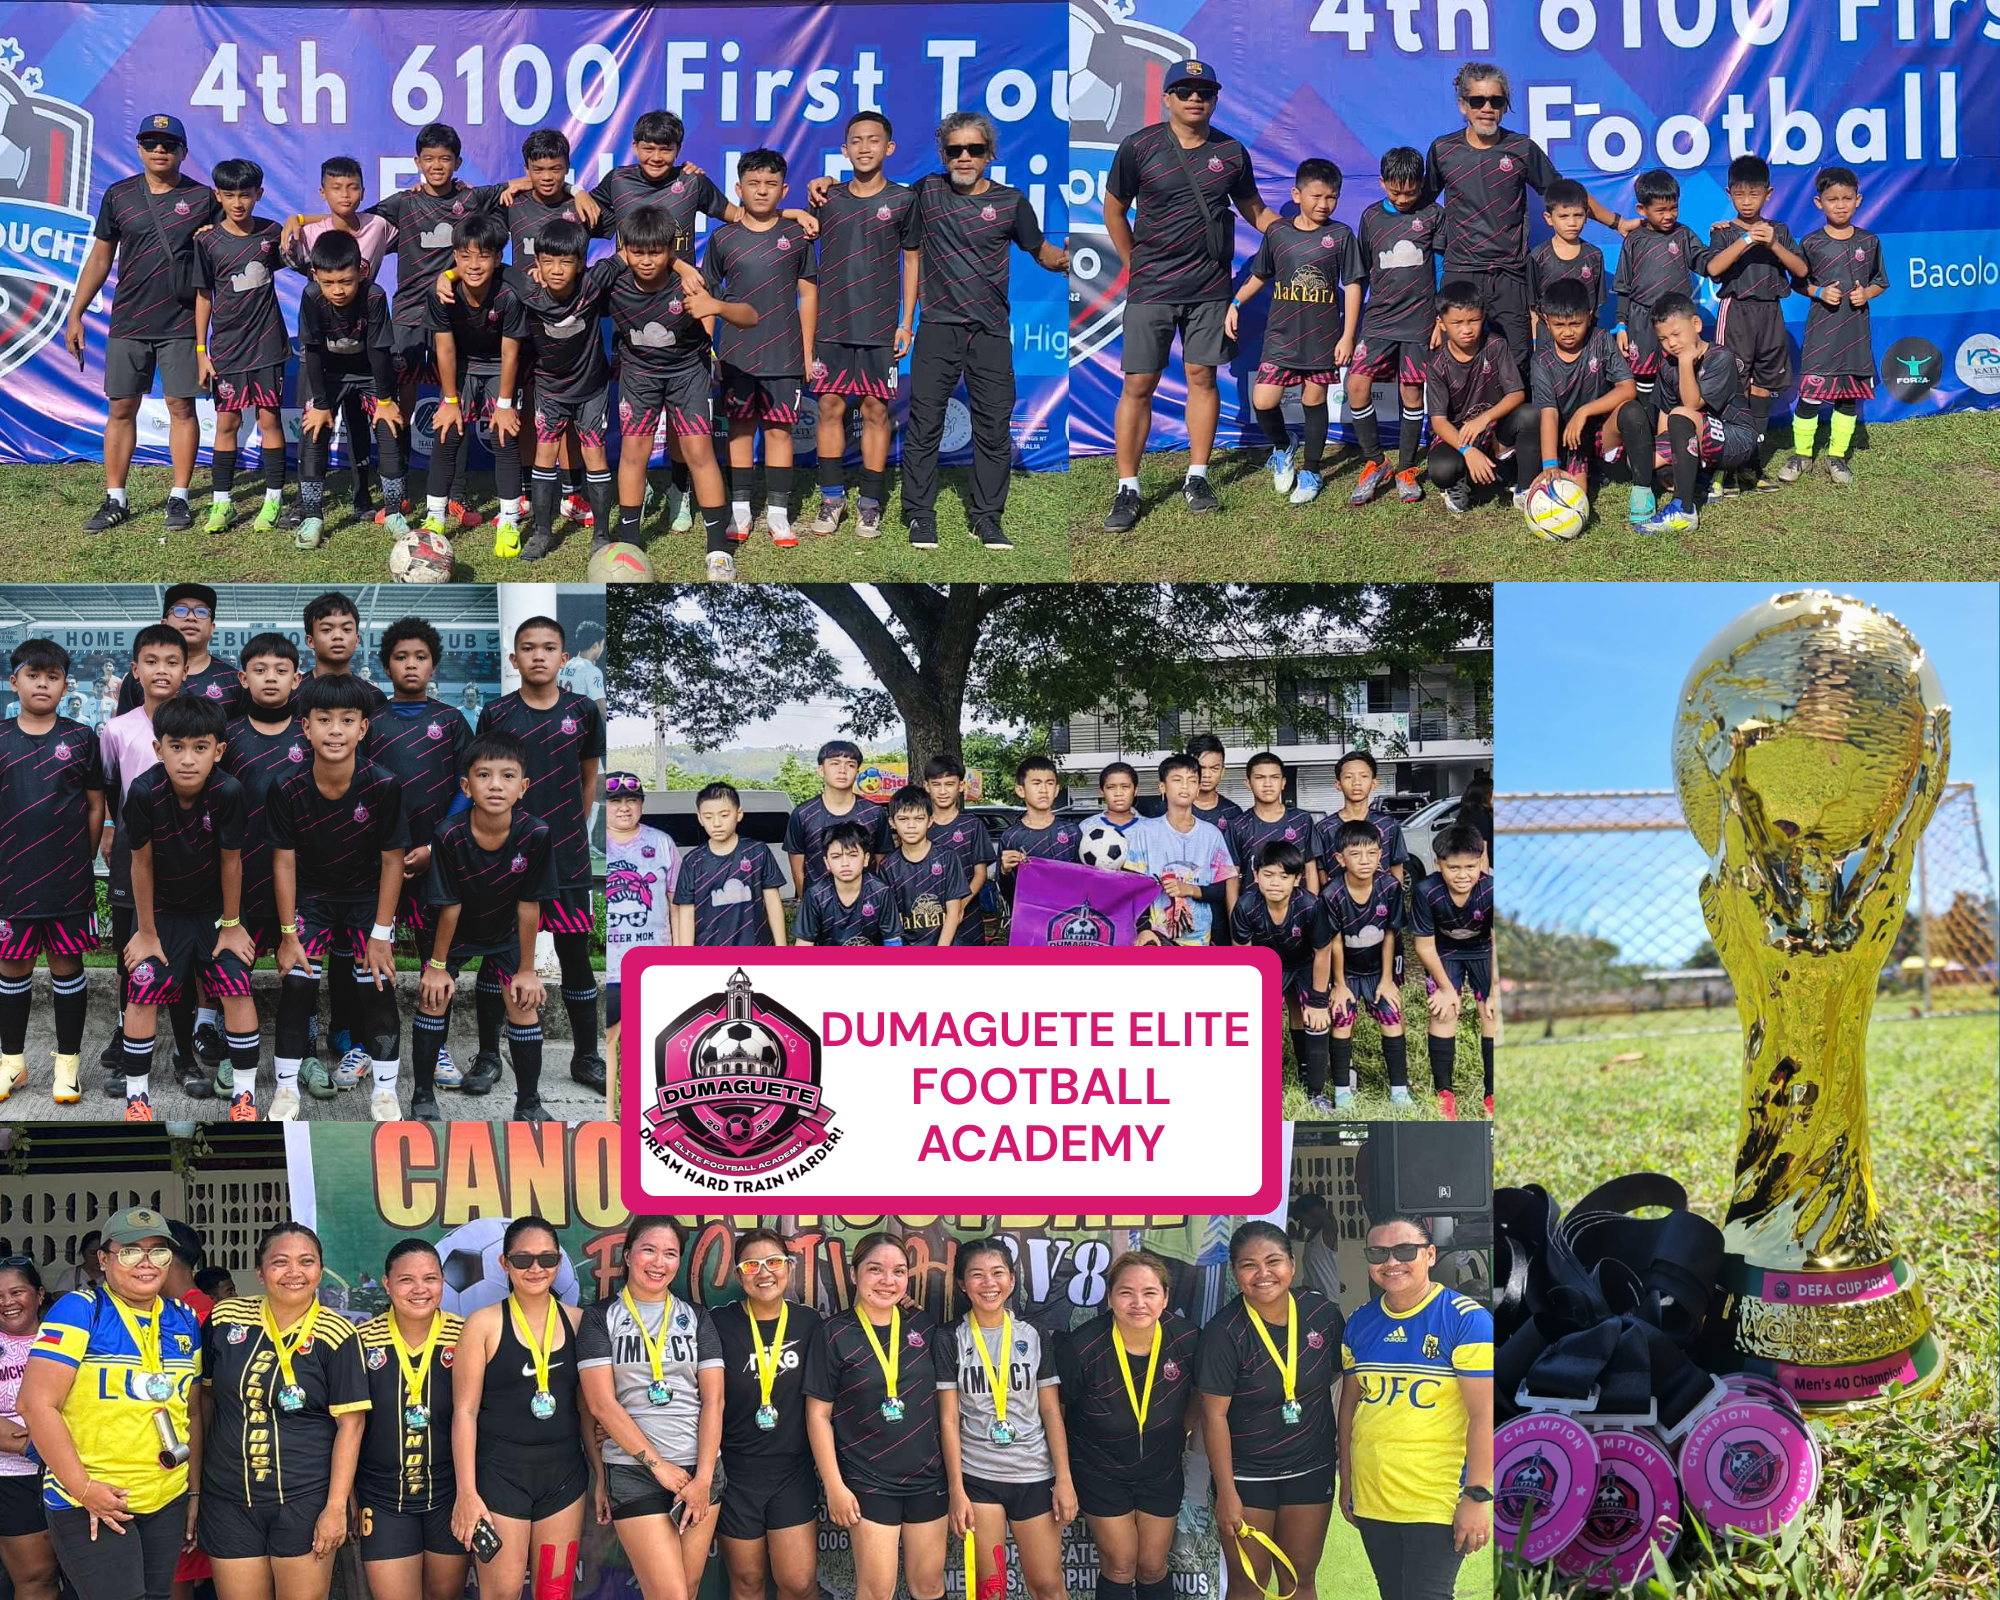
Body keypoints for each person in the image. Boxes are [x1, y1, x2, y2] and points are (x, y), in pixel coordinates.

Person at [1101, 60, 1279, 532]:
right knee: (1138, 384)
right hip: (1152, 286)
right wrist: (1132, 262)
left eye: (1204, 91)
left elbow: (1255, 210)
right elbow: (1114, 209)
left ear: (1215, 98)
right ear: (1167, 98)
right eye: (1184, 90)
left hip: (1209, 289)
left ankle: (1197, 476)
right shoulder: (1138, 147)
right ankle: (1128, 487)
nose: (1195, 98)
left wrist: (1294, 233)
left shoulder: (1232, 151)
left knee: (1202, 377)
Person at [896, 113, 1069, 551]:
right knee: (924, 427)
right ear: (943, 155)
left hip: (990, 333)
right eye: (955, 150)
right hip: (937, 328)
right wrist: (822, 189)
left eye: (974, 149)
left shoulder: (1011, 202)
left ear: (990, 154)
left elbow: (1042, 253)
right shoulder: (926, 192)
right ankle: (920, 516)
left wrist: (1068, 258)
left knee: (993, 429)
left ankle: (987, 519)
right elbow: (873, 200)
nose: (964, 157)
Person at [19, 1207, 204, 1600]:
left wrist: (192, 1491)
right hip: (94, 1496)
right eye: (130, 1251)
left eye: (158, 1252)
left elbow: (189, 1410)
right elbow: (36, 1405)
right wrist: (83, 1488)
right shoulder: (81, 1310)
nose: (146, 1262)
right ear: (103, 1259)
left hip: (165, 1495)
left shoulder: (184, 1319)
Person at [1423, 63, 1634, 374]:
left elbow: (1567, 194)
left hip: (1511, 275)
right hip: (1462, 273)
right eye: (1477, 101)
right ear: (1462, 105)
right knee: (1458, 364)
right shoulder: (1443, 150)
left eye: (1496, 101)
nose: (1486, 108)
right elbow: (1420, 204)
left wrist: (1617, 223)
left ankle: (1516, 425)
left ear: (1505, 105)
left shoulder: (1520, 148)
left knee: (1517, 363)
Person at [197, 1223, 369, 1600]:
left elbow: (351, 1427)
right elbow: (204, 1402)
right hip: (228, 1498)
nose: (294, 1272)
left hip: (304, 1499)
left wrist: (336, 1507)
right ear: (260, 1272)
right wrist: (196, 1492)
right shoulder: (226, 1320)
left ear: (320, 1271)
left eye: (306, 1262)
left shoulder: (337, 1335)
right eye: (280, 1262)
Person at [268, 674, 410, 1121]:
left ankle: (386, 1093)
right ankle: (286, 1089)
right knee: (296, 983)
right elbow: (284, 863)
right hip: (312, 897)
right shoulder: (286, 786)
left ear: (363, 728)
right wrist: (288, 934)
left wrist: (382, 934)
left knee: (378, 985)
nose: (335, 730)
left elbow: (393, 862)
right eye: (323, 720)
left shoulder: (383, 785)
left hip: (367, 898)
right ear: (305, 727)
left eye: (347, 720)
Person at [69, 114, 220, 535]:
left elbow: (231, 239)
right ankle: (115, 498)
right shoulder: (119, 196)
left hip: (181, 322)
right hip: (129, 321)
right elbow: (100, 258)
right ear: (138, 149)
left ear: (183, 152)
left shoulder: (204, 197)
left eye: (168, 144)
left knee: (181, 407)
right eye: (150, 142)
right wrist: (75, 313)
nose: (159, 150)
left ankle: (180, 497)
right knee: (121, 409)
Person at [476, 618, 605, 1092]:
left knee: (575, 956)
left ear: (563, 658)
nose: (538, 656)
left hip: (566, 855)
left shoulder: (583, 711)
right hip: (506, 858)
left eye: (549, 648)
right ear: (514, 660)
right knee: (498, 958)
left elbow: (588, 777)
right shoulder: (496, 713)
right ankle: (488, 1055)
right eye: (527, 648)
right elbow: (486, 778)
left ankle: (587, 1057)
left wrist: (572, 825)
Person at [116, 696, 257, 1121]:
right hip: (161, 911)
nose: (188, 759)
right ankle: (137, 1096)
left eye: (200, 747)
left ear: (218, 750)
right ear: (159, 750)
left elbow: (232, 861)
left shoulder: (228, 791)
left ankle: (244, 1097)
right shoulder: (143, 792)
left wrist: (231, 926)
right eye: (176, 747)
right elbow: (140, 863)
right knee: (141, 987)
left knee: (236, 985)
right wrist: (145, 931)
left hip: (215, 910)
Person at [1338, 1218, 1493, 1600]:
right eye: (1378, 1253)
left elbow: (1484, 1414)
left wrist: (1477, 1495)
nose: (1391, 1262)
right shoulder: (1360, 1321)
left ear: (1429, 1255)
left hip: (1437, 1499)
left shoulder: (1466, 1320)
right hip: (1374, 1497)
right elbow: (1349, 1408)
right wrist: (1347, 1478)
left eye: (1405, 1251)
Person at [600, 206, 754, 578]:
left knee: (699, 451)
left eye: (656, 252)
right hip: (638, 374)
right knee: (634, 452)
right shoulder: (613, 283)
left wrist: (714, 305)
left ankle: (718, 549)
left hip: (687, 373)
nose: (647, 261)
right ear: (625, 250)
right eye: (638, 252)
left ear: (672, 249)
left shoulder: (689, 284)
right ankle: (630, 542)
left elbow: (751, 316)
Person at [579, 1218, 725, 1600]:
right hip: (635, 1472)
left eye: (671, 1253)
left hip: (701, 1470)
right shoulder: (600, 1318)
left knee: (688, 1589)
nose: (659, 1261)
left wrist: (704, 1479)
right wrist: (658, 1467)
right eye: (649, 1250)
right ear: (628, 1256)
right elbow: (601, 1405)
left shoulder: (696, 1317)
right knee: (670, 1595)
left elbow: (714, 1400)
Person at [1198, 1222, 1344, 1600]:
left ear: (1292, 1265)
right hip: (1248, 1479)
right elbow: (1213, 1416)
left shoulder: (1321, 1313)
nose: (1263, 1274)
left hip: (1311, 1469)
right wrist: (1227, 1492)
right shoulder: (1224, 1332)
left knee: (1300, 1581)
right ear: (1234, 1274)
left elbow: (1335, 1375)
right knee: (1249, 1584)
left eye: (1273, 1261)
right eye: (1249, 1265)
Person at [416, 733, 557, 1122]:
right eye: (484, 775)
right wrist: (437, 966)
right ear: (467, 785)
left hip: (504, 929)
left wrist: (527, 971)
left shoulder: (536, 833)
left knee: (522, 1001)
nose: (496, 785)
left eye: (508, 776)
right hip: (450, 931)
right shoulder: (448, 833)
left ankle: (528, 1102)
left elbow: (530, 905)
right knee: (434, 996)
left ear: (523, 787)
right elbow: (449, 903)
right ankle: (422, 1096)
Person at [449, 1218, 588, 1600]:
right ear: (503, 1263)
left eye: (545, 1258)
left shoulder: (579, 1324)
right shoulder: (483, 1324)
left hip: (563, 1479)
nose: (535, 1268)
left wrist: (602, 1479)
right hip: (500, 1479)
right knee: (501, 1593)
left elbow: (589, 1410)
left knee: (555, 1593)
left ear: (558, 1263)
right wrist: (467, 1493)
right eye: (523, 1259)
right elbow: (464, 1413)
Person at [363, 618, 472, 1098]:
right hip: (380, 860)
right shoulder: (372, 722)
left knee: (436, 955)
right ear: (386, 665)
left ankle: (438, 1044)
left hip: (435, 859)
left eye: (420, 657)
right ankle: (374, 1044)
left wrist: (437, 845)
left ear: (433, 665)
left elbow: (467, 789)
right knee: (375, 950)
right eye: (401, 657)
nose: (411, 664)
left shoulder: (450, 722)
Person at [807, 1235, 948, 1600]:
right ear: (855, 1275)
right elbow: (818, 1416)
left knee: (930, 1586)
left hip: (927, 1477)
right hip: (868, 1480)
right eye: (876, 1270)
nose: (888, 1280)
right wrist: (835, 1486)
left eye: (898, 1272)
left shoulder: (924, 1328)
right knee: (876, 1590)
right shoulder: (834, 1332)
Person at [1056, 1252, 1198, 1600]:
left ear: (1165, 1297)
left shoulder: (1188, 1341)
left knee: (1151, 1565)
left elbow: (1202, 1399)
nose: (1138, 1303)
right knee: (1120, 1564)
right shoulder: (1083, 1345)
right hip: (1100, 1471)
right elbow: (1058, 1410)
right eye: (1126, 1292)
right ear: (1109, 1297)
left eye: (1150, 1293)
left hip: (1161, 1471)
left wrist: (1178, 1432)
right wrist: (1063, 1476)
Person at [0, 639, 105, 1106]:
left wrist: (79, 855)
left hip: (67, 878)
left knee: (67, 968)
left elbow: (95, 802)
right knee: (12, 967)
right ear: (14, 681)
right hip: (11, 878)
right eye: (33, 674)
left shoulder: (82, 738)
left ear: (66, 685)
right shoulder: (0, 738)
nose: (42, 683)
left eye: (53, 676)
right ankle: (11, 1063)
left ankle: (68, 1067)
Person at [939, 1240, 1074, 1600]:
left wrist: (1064, 1479)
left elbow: (1050, 1411)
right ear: (962, 1284)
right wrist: (957, 1490)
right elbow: (949, 1420)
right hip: (979, 1477)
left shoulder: (1034, 1335)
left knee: (1047, 1585)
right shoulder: (950, 1338)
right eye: (977, 1275)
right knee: (991, 1588)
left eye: (998, 1273)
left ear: (1012, 1280)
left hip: (1034, 1475)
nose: (989, 1283)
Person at [807, 113, 919, 537]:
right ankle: (831, 498)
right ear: (844, 150)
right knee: (830, 407)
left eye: (874, 140)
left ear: (889, 148)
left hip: (878, 325)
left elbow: (912, 260)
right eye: (856, 140)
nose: (865, 147)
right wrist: (813, 191)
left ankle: (869, 504)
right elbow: (800, 223)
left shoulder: (905, 201)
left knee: (875, 409)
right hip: (831, 323)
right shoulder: (828, 197)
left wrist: (906, 322)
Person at [1230, 160, 1362, 507]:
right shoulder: (1278, 233)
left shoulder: (1342, 236)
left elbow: (1352, 286)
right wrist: (1236, 303)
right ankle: (1282, 445)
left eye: (1332, 197)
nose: (1324, 204)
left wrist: (1347, 336)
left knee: (1314, 401)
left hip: (1323, 336)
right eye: (1316, 195)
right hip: (1281, 336)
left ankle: (1313, 470)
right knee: (1264, 401)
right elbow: (1260, 274)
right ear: (1297, 194)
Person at [703, 149, 818, 548]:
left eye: (771, 185)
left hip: (784, 352)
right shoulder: (722, 239)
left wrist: (806, 352)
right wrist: (710, 353)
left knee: (779, 431)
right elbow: (707, 300)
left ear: (783, 189)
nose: (762, 191)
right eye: (753, 184)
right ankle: (739, 511)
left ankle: (779, 514)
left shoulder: (797, 236)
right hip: (736, 354)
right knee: (738, 431)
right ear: (738, 189)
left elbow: (808, 293)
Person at [209, 633, 305, 1099]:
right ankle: (234, 1054)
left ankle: (300, 1057)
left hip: (298, 880)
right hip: (239, 880)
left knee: (302, 975)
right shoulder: (226, 734)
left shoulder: (310, 732)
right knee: (234, 971)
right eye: (261, 670)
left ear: (296, 679)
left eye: (281, 670)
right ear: (243, 678)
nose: (271, 678)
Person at [97, 626, 191, 1102]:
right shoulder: (118, 729)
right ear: (135, 670)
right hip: (136, 848)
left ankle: (186, 1049)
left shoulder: (198, 726)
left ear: (186, 669)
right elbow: (111, 785)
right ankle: (124, 1030)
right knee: (129, 947)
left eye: (171, 662)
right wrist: (113, 828)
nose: (161, 670)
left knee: (184, 945)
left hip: (187, 849)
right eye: (151, 661)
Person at [712, 1231, 827, 1600]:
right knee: (747, 1582)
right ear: (737, 1274)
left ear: (789, 1269)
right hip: (736, 1474)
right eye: (752, 1265)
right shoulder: (717, 1323)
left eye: (774, 1262)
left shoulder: (810, 1324)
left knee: (797, 1583)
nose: (764, 1273)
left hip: (791, 1472)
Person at [356, 1242, 469, 1600]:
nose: (420, 1289)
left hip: (449, 1497)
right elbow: (346, 1427)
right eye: (406, 1279)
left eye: (430, 1278)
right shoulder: (360, 1342)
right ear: (387, 1284)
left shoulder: (466, 1336)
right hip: (383, 1498)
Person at [501, 220, 620, 561]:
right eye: (548, 261)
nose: (556, 270)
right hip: (550, 389)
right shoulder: (527, 288)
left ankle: (601, 534)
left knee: (595, 454)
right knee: (544, 455)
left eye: (566, 262)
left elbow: (630, 255)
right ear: (536, 263)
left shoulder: (593, 283)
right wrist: (446, 277)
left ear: (581, 263)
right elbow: (495, 266)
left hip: (591, 388)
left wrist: (684, 268)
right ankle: (541, 533)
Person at [292, 231, 410, 550]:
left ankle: (395, 513)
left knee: (389, 429)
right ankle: (313, 516)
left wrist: (385, 401)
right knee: (313, 433)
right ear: (316, 276)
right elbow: (313, 352)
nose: (338, 290)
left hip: (369, 372)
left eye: (346, 281)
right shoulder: (311, 296)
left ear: (361, 270)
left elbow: (379, 351)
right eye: (329, 283)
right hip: (329, 373)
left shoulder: (374, 295)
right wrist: (320, 404)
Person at [192, 158, 288, 534]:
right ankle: (223, 504)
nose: (237, 203)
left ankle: (273, 502)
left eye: (245, 195)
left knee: (269, 420)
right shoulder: (208, 241)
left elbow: (302, 253)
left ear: (258, 195)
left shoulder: (271, 234)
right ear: (218, 195)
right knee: (227, 422)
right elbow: (203, 297)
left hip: (268, 346)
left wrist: (297, 223)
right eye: (229, 195)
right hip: (227, 349)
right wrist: (202, 351)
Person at [1704, 155, 1807, 493]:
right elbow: (1715, 269)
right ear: (1729, 194)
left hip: (1771, 314)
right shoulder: (1724, 232)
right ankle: (1727, 468)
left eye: (1754, 194)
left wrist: (1773, 243)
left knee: (1763, 388)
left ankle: (1751, 464)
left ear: (1769, 193)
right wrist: (1746, 240)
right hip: (1736, 314)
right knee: (1734, 387)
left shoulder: (1779, 231)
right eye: (1739, 194)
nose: (1747, 201)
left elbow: (1802, 271)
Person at [422, 213, 528, 542]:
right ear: (454, 257)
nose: (474, 264)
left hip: (500, 365)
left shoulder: (510, 294)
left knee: (504, 436)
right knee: (446, 433)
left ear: (498, 258)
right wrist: (451, 400)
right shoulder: (441, 293)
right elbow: (446, 350)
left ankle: (509, 521)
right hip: (463, 364)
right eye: (465, 256)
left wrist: (505, 405)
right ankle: (435, 518)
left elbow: (511, 353)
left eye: (483, 256)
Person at [1347, 148, 1443, 507]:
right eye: (1395, 192)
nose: (1403, 199)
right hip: (1379, 321)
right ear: (1382, 182)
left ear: (1422, 185)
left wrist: (1439, 318)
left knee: (1411, 396)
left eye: (1410, 192)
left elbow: (1445, 268)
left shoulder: (1434, 215)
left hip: (1420, 323)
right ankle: (1375, 462)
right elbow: (1364, 271)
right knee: (1356, 385)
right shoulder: (1371, 217)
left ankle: (1406, 469)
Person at [1515, 277, 1649, 529]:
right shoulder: (1542, 360)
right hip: (1569, 440)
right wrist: (1550, 464)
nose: (1567, 332)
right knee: (1577, 499)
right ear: (1545, 320)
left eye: (1575, 324)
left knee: (1632, 410)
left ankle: (1643, 492)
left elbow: (1628, 388)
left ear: (1589, 316)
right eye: (1559, 325)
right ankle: (1544, 481)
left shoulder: (1600, 340)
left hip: (1599, 432)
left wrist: (1584, 411)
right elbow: (1549, 414)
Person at [1782, 166, 1885, 489]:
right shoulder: (1811, 243)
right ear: (1818, 203)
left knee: (1847, 399)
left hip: (1854, 336)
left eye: (1846, 198)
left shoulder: (1869, 242)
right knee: (1810, 397)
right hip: (1821, 336)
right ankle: (1802, 455)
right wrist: (1819, 292)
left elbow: (1881, 282)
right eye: (1832, 199)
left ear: (1858, 200)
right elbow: (1798, 283)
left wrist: (1865, 293)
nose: (1840, 205)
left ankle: (1837, 456)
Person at [1639, 293, 1758, 536]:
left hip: (1737, 438)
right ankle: (1704, 478)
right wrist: (1665, 464)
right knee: (1641, 460)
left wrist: (1685, 362)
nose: (1671, 344)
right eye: (1663, 338)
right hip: (1698, 435)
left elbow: (1691, 405)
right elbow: (1665, 412)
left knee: (1682, 414)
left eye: (1676, 334)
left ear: (1696, 325)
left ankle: (1684, 510)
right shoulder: (1667, 364)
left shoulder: (1720, 357)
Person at [1228, 841, 1334, 1110]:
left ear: (1297, 879)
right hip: (1266, 966)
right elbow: (1245, 958)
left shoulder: (1310, 906)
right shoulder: (1245, 906)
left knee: (1314, 1018)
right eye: (1268, 874)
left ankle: (1315, 1090)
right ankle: (1260, 1087)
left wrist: (1319, 1001)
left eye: (1284, 876)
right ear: (1255, 875)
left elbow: (1323, 952)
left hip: (1305, 963)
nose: (1275, 883)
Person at [1409, 823, 1496, 1119]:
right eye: (1454, 867)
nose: (1463, 875)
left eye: (1471, 866)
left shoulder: (1493, 889)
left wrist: (1495, 990)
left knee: (1492, 1011)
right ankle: (1444, 1094)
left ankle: (1492, 1092)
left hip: (1484, 950)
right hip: (1444, 952)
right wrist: (1445, 988)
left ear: (1482, 862)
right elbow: (1423, 946)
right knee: (1443, 1011)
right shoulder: (1426, 890)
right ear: (1438, 864)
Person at [1322, 820, 1409, 1107]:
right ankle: (1342, 1091)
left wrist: (1387, 980)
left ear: (1380, 855)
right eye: (1356, 854)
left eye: (1372, 853)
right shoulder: (1332, 894)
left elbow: (1389, 935)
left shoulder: (1390, 887)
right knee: (1341, 1017)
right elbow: (1334, 941)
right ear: (1340, 858)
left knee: (1392, 1015)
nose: (1364, 861)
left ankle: (1400, 1091)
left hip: (1377, 969)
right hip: (1346, 971)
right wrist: (1340, 985)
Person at [1423, 279, 1525, 515]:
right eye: (1457, 323)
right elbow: (1438, 421)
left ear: (1483, 317)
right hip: (1458, 436)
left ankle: (1523, 484)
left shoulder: (1496, 346)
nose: (1466, 329)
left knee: (1528, 415)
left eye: (1474, 321)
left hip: (1494, 428)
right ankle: (1460, 484)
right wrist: (1466, 450)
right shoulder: (1437, 364)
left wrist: (1484, 419)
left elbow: (1516, 393)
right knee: (1442, 470)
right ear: (1442, 324)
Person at [1610, 169, 1711, 410]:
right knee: (1644, 378)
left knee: (1680, 370)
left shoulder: (1684, 234)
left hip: (1677, 320)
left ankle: (1679, 425)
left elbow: (1707, 263)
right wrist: (1622, 325)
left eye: (1673, 208)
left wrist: (1722, 237)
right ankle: (1647, 428)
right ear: (1642, 210)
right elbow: (1624, 286)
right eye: (1661, 210)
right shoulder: (1634, 240)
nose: (1669, 215)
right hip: (1642, 320)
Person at [605, 771, 674, 1103]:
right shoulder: (591, 844)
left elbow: (677, 904)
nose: (623, 807)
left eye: (631, 800)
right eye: (615, 801)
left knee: (653, 1043)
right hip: (612, 969)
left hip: (653, 965)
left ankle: (646, 1107)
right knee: (608, 1041)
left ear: (641, 804)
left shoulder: (662, 843)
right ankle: (607, 1114)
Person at [1127, 754, 1237, 948]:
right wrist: (1144, 928)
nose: (1185, 786)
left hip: (1201, 940)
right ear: (1162, 787)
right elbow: (1133, 886)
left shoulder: (1212, 835)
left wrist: (1190, 889)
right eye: (1177, 780)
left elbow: (1221, 890)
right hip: (1157, 938)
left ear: (1197, 788)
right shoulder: (1145, 831)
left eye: (1192, 781)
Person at [0, 1257, 57, 1600]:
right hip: (12, 1480)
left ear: (39, 1294)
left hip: (75, 1476)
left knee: (87, 1578)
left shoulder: (69, 1340)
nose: (7, 1302)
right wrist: (38, 1445)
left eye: (16, 1291)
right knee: (37, 1578)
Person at [671, 783, 786, 946]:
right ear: (699, 818)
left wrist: (782, 949)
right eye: (708, 817)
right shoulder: (693, 861)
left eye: (724, 815)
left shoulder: (758, 852)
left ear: (739, 814)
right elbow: (687, 913)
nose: (716, 823)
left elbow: (773, 902)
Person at [784, 741, 888, 895]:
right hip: (819, 905)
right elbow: (798, 870)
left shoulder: (874, 813)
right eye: (835, 763)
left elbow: (882, 863)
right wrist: (808, 904)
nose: (843, 770)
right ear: (821, 770)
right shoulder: (802, 814)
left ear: (858, 772)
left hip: (867, 904)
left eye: (850, 765)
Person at [876, 789, 968, 948]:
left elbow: (955, 912)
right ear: (891, 822)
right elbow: (889, 920)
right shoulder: (887, 866)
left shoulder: (948, 858)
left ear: (930, 820)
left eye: (918, 818)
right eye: (903, 819)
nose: (911, 825)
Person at [920, 756, 997, 946]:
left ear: (961, 786)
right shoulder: (919, 826)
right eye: (936, 784)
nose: (943, 791)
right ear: (927, 786)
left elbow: (980, 875)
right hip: (928, 918)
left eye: (950, 784)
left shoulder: (972, 825)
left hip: (967, 917)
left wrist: (959, 907)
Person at [792, 823, 903, 948]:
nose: (845, 863)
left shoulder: (881, 892)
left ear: (866, 859)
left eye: (852, 855)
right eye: (836, 857)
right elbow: (804, 943)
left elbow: (892, 940)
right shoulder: (815, 896)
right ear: (826, 862)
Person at [1524, 180, 1606, 349]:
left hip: (1586, 342)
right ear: (1549, 218)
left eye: (1578, 215)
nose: (1571, 223)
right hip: (1547, 342)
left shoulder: (1594, 256)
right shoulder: (1538, 257)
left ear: (1586, 215)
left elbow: (1596, 305)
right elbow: (1533, 306)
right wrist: (1534, 340)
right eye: (1563, 216)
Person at [1225, 754, 1319, 893]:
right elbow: (1232, 878)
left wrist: (1312, 909)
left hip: (1298, 910)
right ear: (1248, 783)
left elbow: (1310, 870)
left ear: (1283, 782)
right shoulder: (1238, 826)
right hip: (1253, 911)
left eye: (1274, 777)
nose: (1267, 784)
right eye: (1260, 777)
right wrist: (1235, 914)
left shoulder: (1302, 820)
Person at [1313, 753, 1408, 890]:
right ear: (1338, 784)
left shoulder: (1388, 825)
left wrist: (1391, 899)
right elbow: (1321, 873)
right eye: (1349, 777)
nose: (1356, 782)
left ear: (1374, 783)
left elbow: (1397, 869)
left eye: (1363, 776)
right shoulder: (1324, 828)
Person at [996, 755, 1081, 909]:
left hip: (1067, 920)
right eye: (1036, 783)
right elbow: (1007, 893)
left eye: (1049, 783)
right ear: (1020, 790)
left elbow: (1085, 881)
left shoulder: (1072, 832)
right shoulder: (1011, 837)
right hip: (1028, 922)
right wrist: (1004, 871)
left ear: (1056, 790)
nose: (1043, 790)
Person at [1086, 764, 1142, 838]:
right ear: (1102, 792)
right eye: (1111, 787)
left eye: (1125, 787)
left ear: (1135, 791)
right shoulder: (1087, 827)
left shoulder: (1150, 827)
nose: (1118, 793)